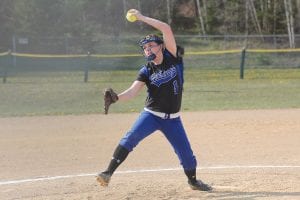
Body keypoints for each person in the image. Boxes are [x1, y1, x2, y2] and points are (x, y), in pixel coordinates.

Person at [96, 9, 212, 192]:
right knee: (130, 138)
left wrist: (141, 18)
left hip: (173, 119)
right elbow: (133, 92)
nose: (148, 49)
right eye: (145, 48)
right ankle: (107, 173)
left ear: (161, 46)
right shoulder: (146, 70)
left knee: (186, 155)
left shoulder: (172, 58)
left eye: (151, 45)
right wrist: (117, 97)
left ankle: (193, 181)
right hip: (151, 115)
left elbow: (165, 28)